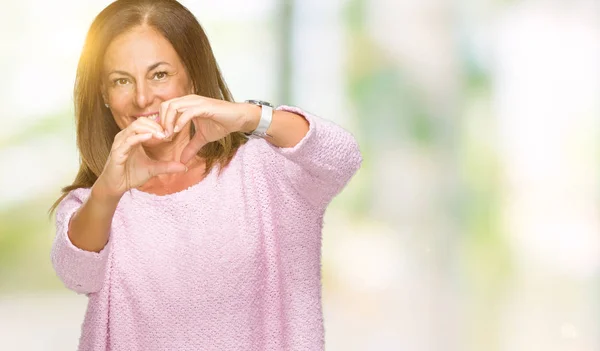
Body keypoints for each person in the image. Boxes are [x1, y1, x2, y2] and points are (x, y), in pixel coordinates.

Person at [50, 0, 362, 350]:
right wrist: (107, 191)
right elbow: (76, 274)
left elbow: (342, 157)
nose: (142, 97)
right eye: (121, 81)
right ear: (103, 95)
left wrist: (248, 116)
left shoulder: (266, 171)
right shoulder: (94, 203)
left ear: (193, 76)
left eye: (159, 74)